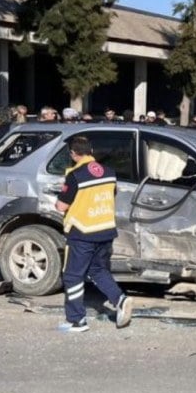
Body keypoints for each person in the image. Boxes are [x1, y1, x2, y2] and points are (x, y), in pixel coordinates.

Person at [54, 136, 134, 333]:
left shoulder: (75, 175)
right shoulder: (109, 172)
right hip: (105, 230)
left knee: (73, 276)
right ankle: (120, 299)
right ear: (91, 151)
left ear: (73, 154)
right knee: (98, 271)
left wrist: (59, 201)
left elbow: (61, 205)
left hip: (82, 232)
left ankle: (77, 321)